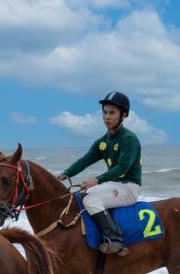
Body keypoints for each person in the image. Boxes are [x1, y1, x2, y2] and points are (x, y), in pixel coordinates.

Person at [57, 92, 142, 256]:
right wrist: (63, 175)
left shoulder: (129, 139)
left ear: (123, 115)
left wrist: (96, 180)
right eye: (104, 112)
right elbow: (84, 161)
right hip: (113, 185)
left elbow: (123, 167)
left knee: (91, 199)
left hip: (129, 188)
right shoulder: (103, 141)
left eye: (112, 113)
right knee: (80, 194)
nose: (107, 117)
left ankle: (116, 240)